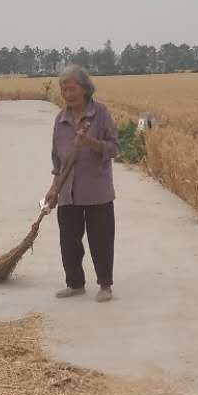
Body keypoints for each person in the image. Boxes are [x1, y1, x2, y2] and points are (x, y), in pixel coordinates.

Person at [45, 65, 120, 302]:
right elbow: (58, 161)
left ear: (85, 89)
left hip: (97, 191)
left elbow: (114, 148)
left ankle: (105, 285)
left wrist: (92, 143)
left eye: (72, 89)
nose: (68, 94)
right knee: (69, 242)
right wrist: (53, 189)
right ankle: (75, 284)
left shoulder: (100, 113)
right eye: (64, 90)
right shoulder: (61, 120)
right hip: (68, 192)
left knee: (101, 240)